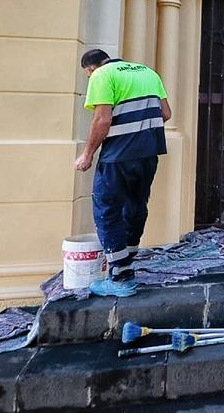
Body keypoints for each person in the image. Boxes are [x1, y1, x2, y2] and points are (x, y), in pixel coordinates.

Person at [75, 49, 171, 297]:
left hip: (118, 156)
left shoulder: (102, 75)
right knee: (136, 205)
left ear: (90, 69)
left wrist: (87, 154)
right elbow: (165, 113)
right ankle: (127, 262)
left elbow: (101, 120)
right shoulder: (147, 72)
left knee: (106, 208)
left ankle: (121, 277)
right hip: (148, 153)